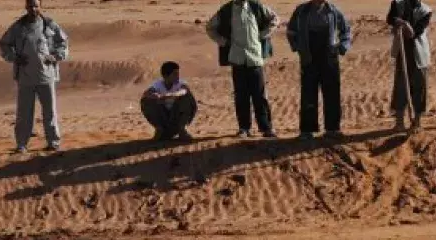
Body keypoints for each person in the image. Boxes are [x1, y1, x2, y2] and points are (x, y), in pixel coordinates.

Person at [0, 0, 68, 153]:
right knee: (24, 113)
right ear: (26, 7)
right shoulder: (18, 27)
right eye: (30, 6)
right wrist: (14, 57)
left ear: (41, 7)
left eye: (36, 6)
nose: (33, 9)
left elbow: (63, 42)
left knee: (50, 112)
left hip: (46, 76)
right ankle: (21, 144)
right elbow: (4, 44)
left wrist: (55, 56)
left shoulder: (49, 25)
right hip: (25, 78)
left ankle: (53, 142)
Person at [206, 0, 279, 138]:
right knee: (241, 96)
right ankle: (244, 128)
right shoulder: (226, 10)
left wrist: (262, 35)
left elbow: (274, 19)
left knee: (260, 95)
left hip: (255, 58)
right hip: (237, 58)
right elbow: (210, 28)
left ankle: (266, 128)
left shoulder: (256, 7)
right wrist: (223, 42)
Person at [287, 0, 352, 140]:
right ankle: (307, 131)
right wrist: (298, 48)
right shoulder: (301, 11)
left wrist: (342, 47)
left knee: (332, 93)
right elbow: (291, 31)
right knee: (308, 94)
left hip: (329, 59)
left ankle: (332, 129)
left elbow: (346, 31)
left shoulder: (333, 11)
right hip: (309, 59)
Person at [387, 0, 432, 132]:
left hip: (419, 54)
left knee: (419, 87)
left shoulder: (426, 10)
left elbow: (415, 32)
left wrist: (405, 25)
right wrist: (398, 22)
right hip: (402, 52)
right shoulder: (397, 4)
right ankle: (399, 122)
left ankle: (417, 122)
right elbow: (390, 19)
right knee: (400, 86)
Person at [141, 62, 197, 142]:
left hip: (176, 118)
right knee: (146, 100)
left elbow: (184, 91)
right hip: (164, 118)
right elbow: (147, 93)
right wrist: (157, 96)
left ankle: (182, 129)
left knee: (187, 98)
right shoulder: (158, 84)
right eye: (175, 74)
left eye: (178, 74)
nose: (177, 76)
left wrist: (172, 95)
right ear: (165, 76)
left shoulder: (180, 83)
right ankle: (160, 129)